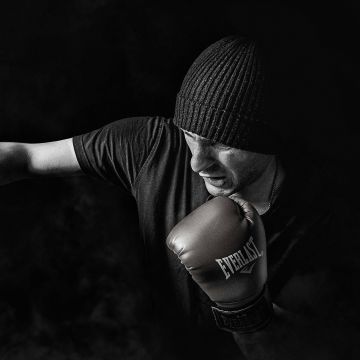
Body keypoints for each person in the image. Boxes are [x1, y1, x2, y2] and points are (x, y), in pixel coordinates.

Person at [0, 36, 359, 359]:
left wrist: (244, 307)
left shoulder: (325, 220)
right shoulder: (152, 146)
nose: (197, 161)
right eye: (190, 135)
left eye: (221, 143)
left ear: (269, 141)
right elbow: (25, 157)